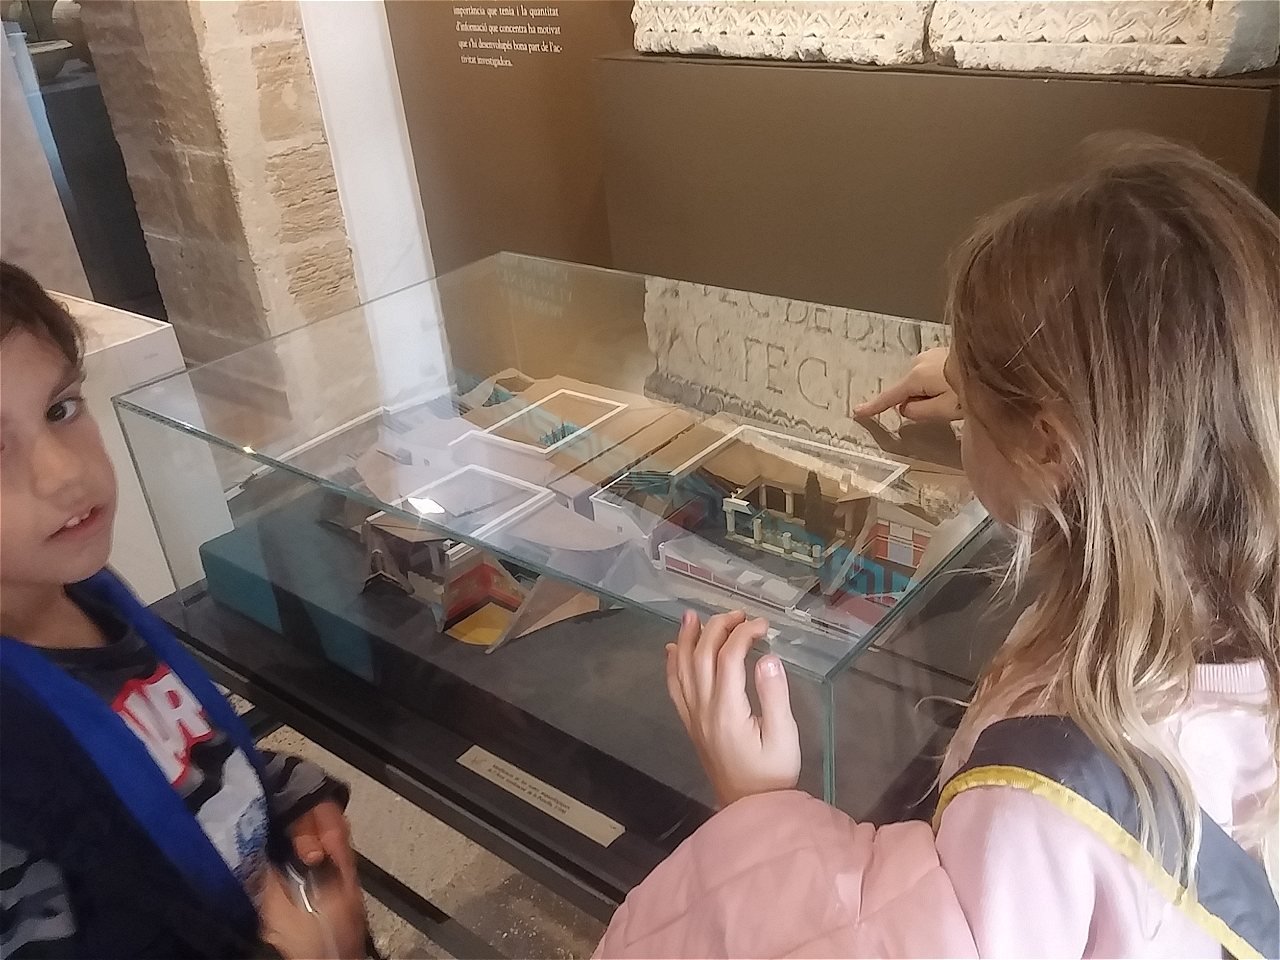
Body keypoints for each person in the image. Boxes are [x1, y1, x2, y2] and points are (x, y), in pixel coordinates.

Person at [596, 137, 1279, 958]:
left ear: (1051, 444)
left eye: (978, 398)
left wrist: (759, 807)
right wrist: (985, 380)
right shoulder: (1230, 593)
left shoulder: (1045, 801)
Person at [0, 261, 368, 959]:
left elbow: (181, 762)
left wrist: (287, 795)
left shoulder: (84, 597)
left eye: (60, 410)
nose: (65, 473)